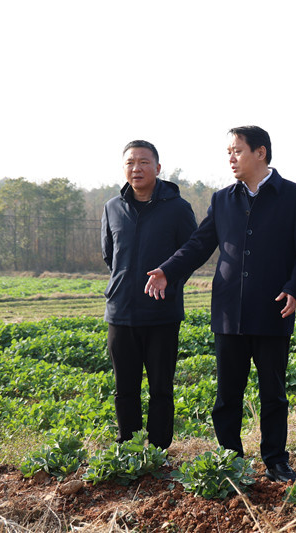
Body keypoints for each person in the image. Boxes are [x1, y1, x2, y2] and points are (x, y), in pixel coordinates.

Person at [144, 125, 296, 482]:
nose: (231, 158)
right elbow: (199, 245)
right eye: (228, 152)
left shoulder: (295, 197)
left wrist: (295, 289)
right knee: (227, 395)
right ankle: (230, 458)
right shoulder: (223, 199)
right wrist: (167, 270)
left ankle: (275, 460)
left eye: (237, 151)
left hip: (273, 309)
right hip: (228, 313)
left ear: (260, 152)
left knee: (273, 393)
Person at [101, 140, 198, 450]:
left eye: (144, 162)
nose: (136, 168)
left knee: (161, 389)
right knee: (124, 388)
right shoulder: (112, 208)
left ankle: (158, 451)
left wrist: (170, 282)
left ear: (158, 168)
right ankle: (128, 448)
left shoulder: (178, 208)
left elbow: (191, 254)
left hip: (161, 313)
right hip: (121, 312)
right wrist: (123, 283)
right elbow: (109, 255)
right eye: (130, 163)